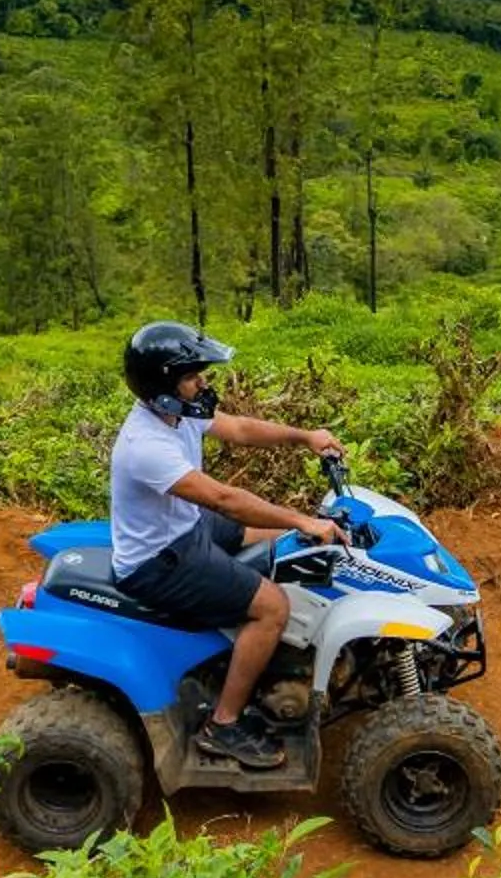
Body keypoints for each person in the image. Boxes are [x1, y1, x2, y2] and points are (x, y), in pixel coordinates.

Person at [110, 320, 345, 770]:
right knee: (272, 607)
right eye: (192, 375)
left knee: (288, 541)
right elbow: (225, 500)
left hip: (185, 528)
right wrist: (302, 517)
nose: (202, 382)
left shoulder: (179, 411)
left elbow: (239, 429)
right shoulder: (146, 444)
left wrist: (305, 437)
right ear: (164, 384)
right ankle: (223, 724)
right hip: (159, 562)